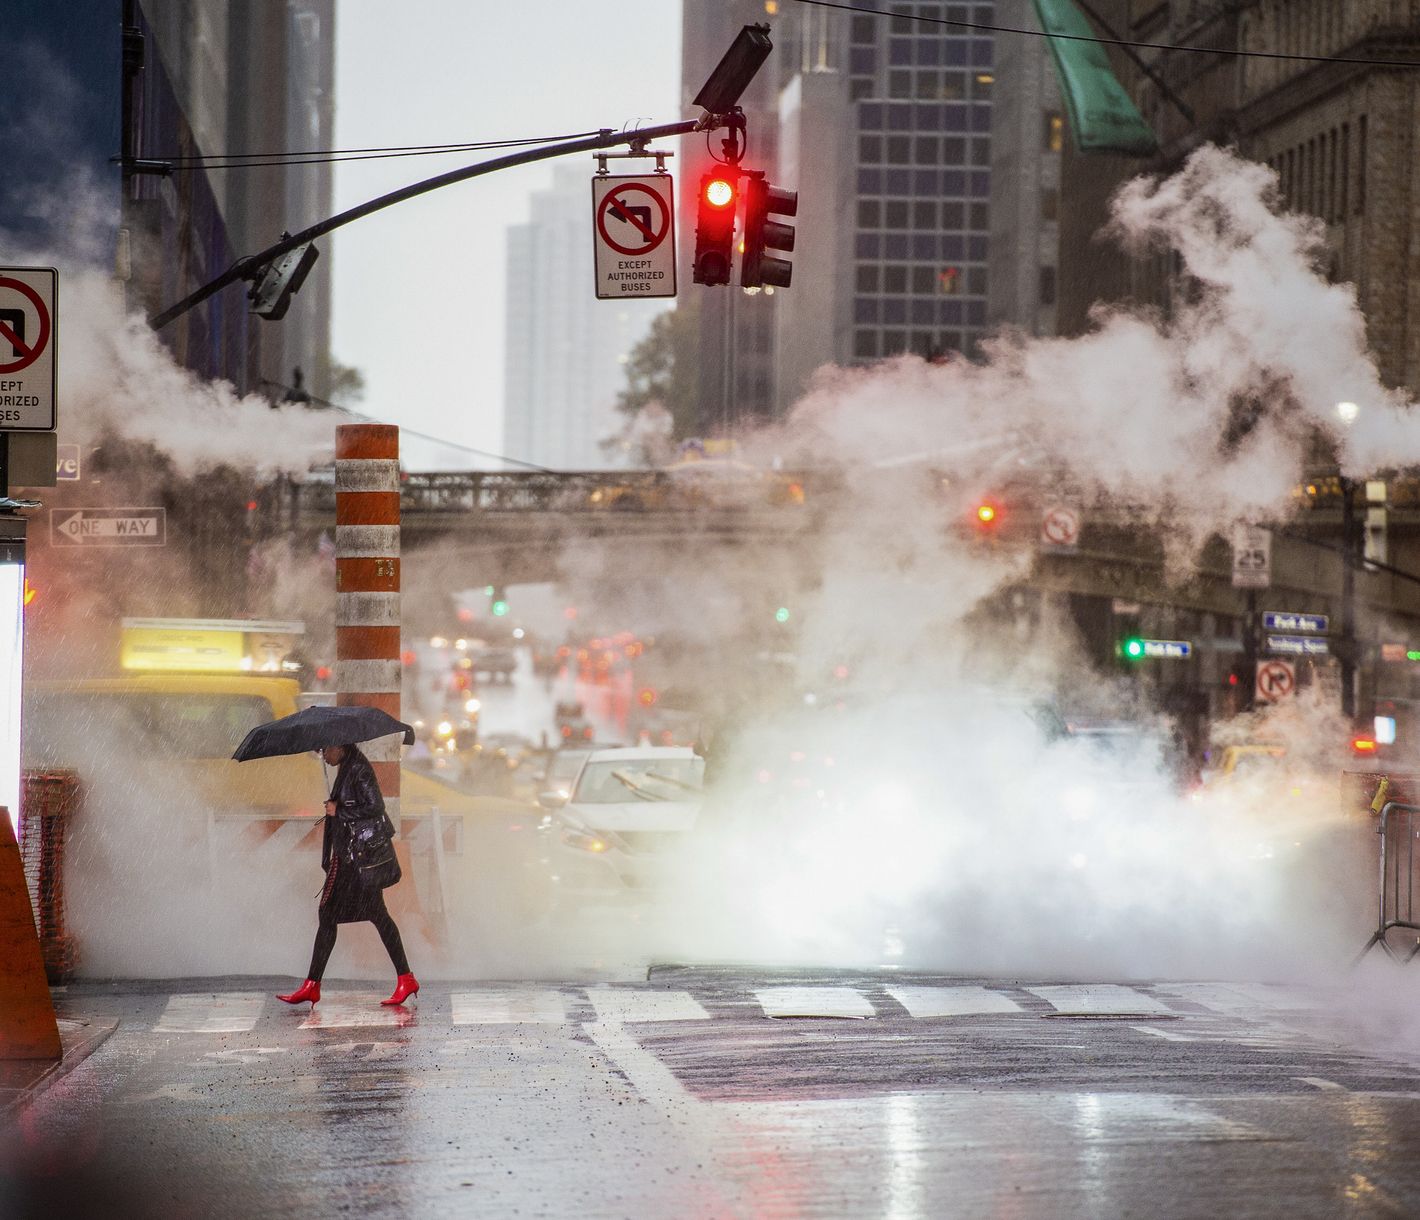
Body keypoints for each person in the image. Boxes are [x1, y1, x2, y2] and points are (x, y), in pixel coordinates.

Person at [277, 743, 418, 1008]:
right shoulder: (348, 767)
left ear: (339, 746)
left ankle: (312, 986)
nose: (323, 755)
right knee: (374, 916)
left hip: (355, 860)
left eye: (325, 750)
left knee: (330, 915)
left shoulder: (358, 769)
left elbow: (375, 807)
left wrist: (338, 811)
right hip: (351, 858)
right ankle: (405, 978)